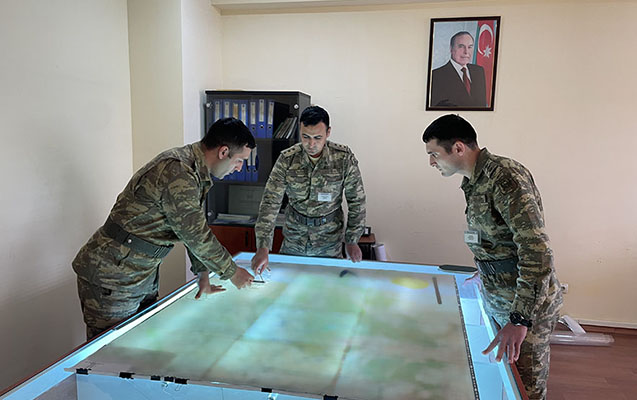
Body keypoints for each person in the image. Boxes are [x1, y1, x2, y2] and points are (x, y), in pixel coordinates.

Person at [73, 117, 256, 340]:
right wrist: (233, 272)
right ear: (223, 151)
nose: (239, 168)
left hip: (140, 272)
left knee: (140, 344)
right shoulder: (178, 171)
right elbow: (195, 234)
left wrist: (203, 274)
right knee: (111, 352)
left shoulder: (193, 171)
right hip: (114, 275)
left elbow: (188, 226)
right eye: (239, 160)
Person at [422, 114, 562, 400]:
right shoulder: (474, 181)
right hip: (499, 294)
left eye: (434, 154)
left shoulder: (504, 178)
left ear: (458, 148)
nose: (432, 163)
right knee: (504, 381)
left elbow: (537, 251)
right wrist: (486, 270)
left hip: (524, 304)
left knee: (525, 388)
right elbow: (499, 239)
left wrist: (520, 319)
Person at [251, 105, 366, 274]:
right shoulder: (287, 159)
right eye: (306, 137)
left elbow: (357, 201)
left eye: (317, 138)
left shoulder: (343, 159)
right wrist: (263, 247)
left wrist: (352, 239)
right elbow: (270, 203)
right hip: (294, 239)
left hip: (329, 241)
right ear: (300, 130)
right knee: (288, 283)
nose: (311, 144)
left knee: (326, 284)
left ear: (328, 132)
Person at [430, 31, 487, 108]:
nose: (466, 52)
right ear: (451, 49)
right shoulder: (436, 76)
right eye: (461, 46)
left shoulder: (479, 71)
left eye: (470, 47)